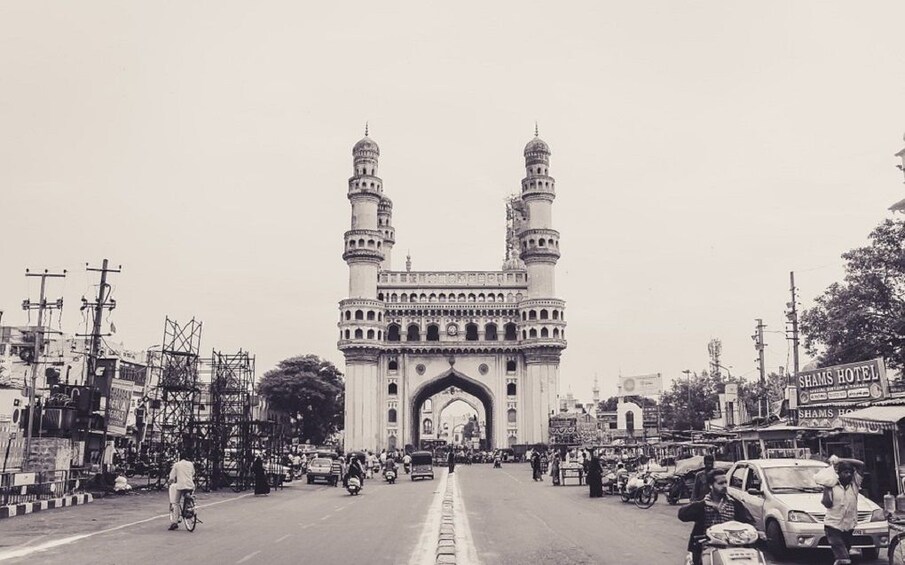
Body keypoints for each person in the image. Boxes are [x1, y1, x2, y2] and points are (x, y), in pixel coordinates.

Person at [678, 469, 755, 565]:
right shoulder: (703, 504)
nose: (724, 486)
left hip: (734, 546)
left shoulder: (735, 503)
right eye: (720, 483)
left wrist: (756, 531)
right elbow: (682, 515)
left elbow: (748, 521)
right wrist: (702, 504)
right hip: (709, 546)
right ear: (711, 485)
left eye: (725, 482)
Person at [819, 456, 866, 565]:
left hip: (848, 526)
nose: (848, 475)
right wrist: (827, 490)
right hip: (833, 526)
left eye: (850, 472)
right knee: (844, 558)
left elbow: (861, 464)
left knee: (842, 556)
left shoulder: (854, 485)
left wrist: (840, 460)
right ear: (839, 474)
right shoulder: (832, 486)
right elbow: (827, 504)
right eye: (845, 472)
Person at [167, 453, 195, 531]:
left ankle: (174, 522)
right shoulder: (190, 464)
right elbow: (193, 473)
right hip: (190, 485)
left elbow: (172, 476)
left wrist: (170, 481)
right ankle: (189, 507)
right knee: (188, 495)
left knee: (175, 503)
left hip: (181, 486)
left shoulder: (177, 465)